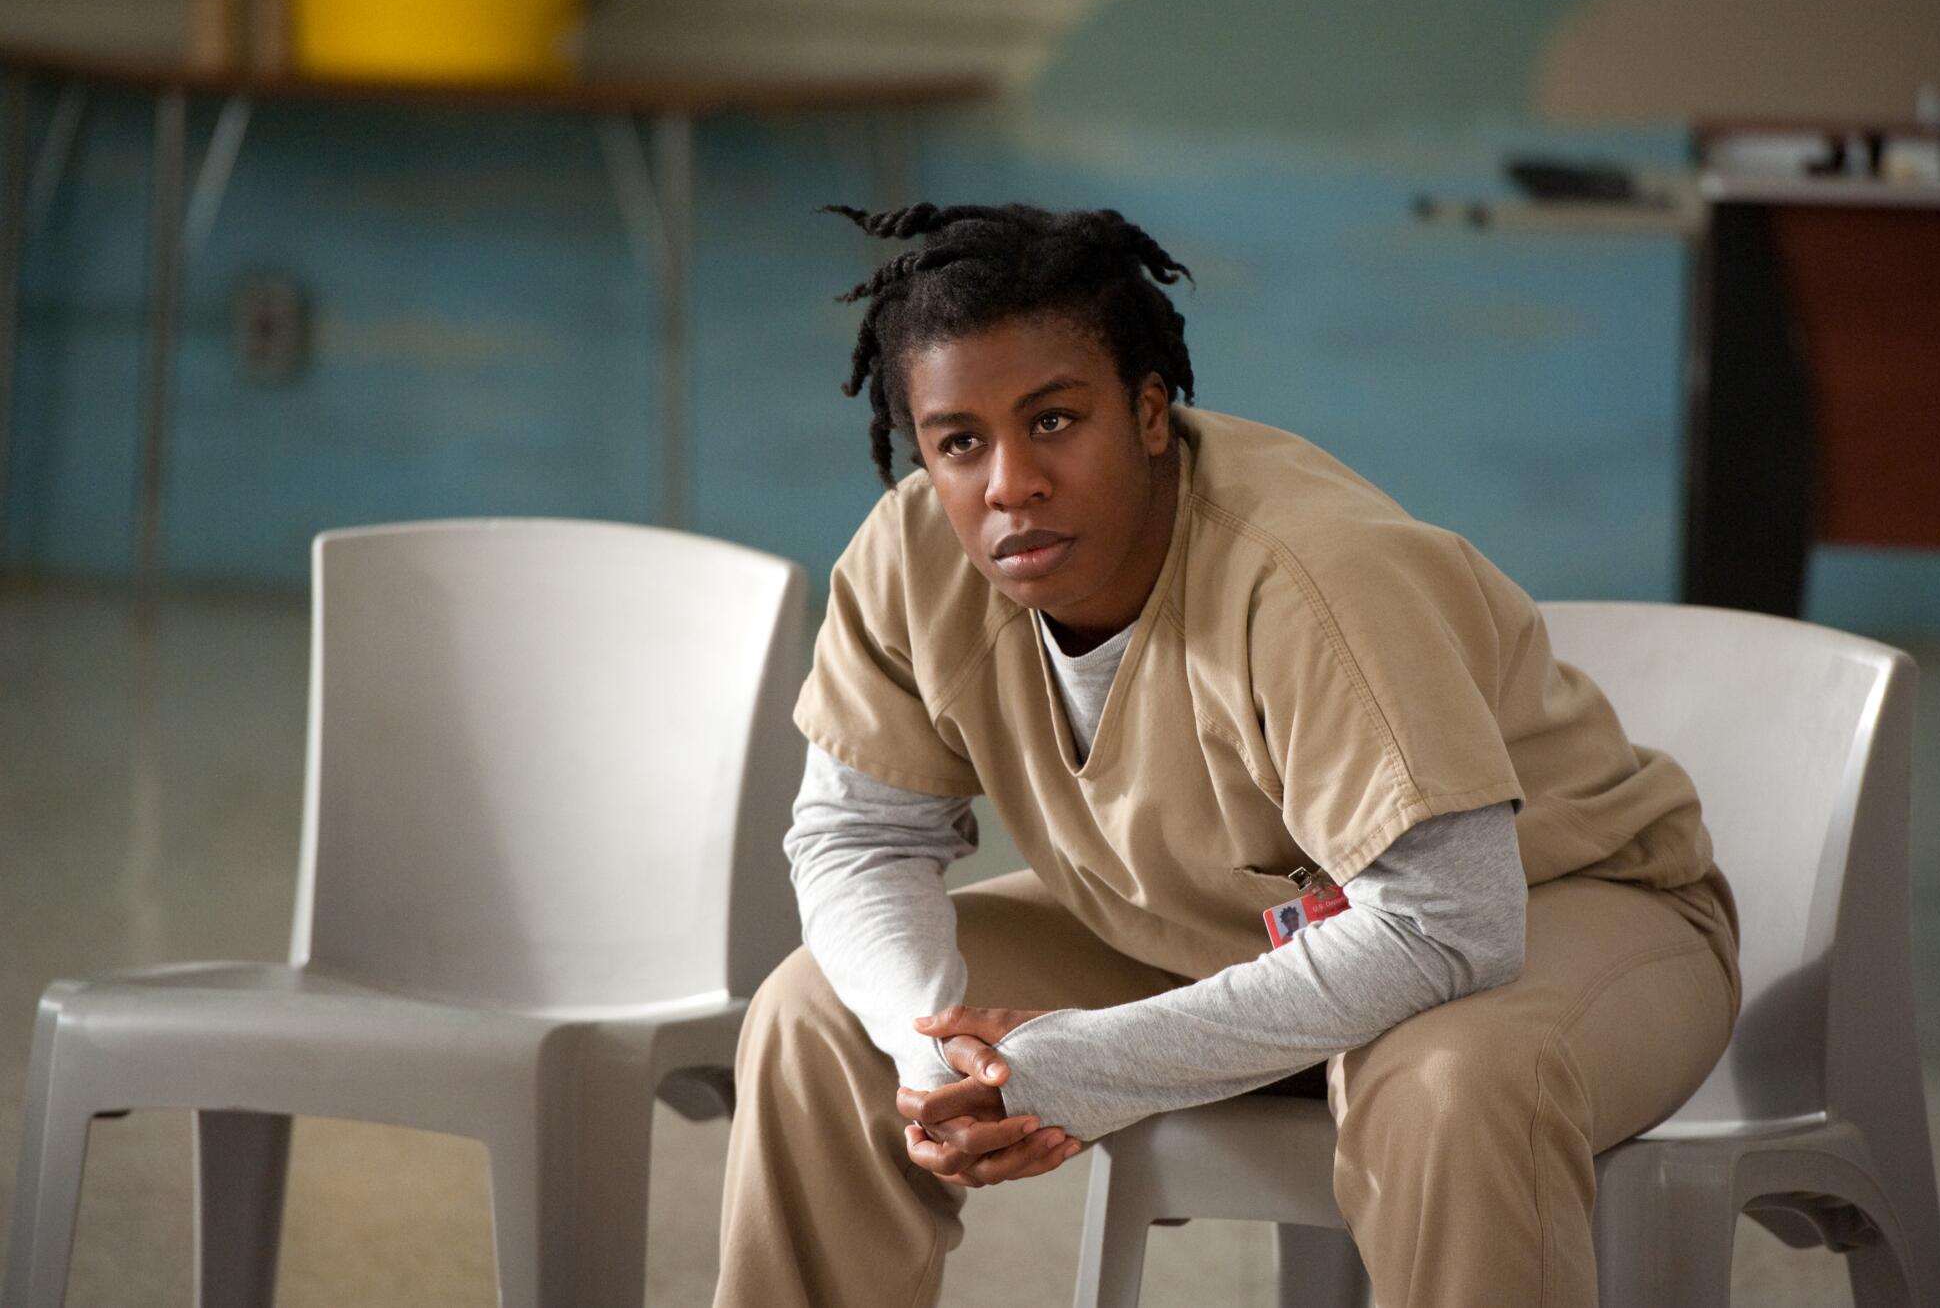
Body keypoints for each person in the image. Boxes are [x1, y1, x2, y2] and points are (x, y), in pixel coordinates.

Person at [713, 202, 1740, 1308]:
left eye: (1054, 420)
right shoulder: (911, 557)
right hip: (1208, 929)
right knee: (821, 1014)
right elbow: (860, 835)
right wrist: (929, 1054)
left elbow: (1451, 921)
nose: (1006, 481)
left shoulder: (1315, 572)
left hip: (1557, 908)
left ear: (1149, 411)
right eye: (959, 440)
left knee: (1456, 1082)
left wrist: (1095, 1061)